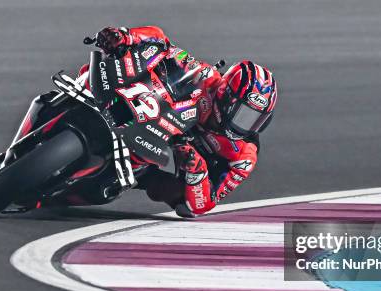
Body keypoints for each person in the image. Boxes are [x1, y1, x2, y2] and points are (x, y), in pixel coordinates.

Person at [90, 26, 278, 217]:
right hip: (155, 117)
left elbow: (204, 204)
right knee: (125, 59)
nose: (246, 125)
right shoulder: (206, 77)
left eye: (256, 120)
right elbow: (163, 42)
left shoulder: (244, 156)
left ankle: (130, 174)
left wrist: (196, 170)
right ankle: (90, 87)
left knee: (181, 202)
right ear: (226, 96)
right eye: (244, 115)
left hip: (176, 156)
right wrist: (127, 37)